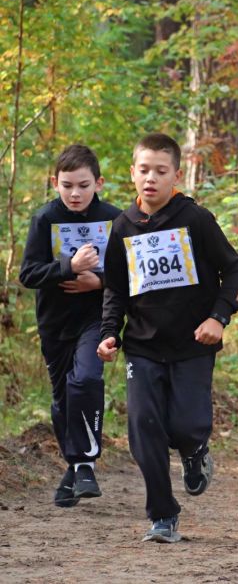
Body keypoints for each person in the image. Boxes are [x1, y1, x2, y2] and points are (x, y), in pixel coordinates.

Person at [97, 133, 238, 543]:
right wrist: (110, 333)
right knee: (144, 428)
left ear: (176, 175)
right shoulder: (123, 226)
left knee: (188, 425)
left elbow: (233, 270)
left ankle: (195, 452)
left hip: (193, 343)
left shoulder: (195, 219)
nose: (151, 179)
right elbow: (115, 288)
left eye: (161, 171)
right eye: (143, 170)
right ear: (132, 173)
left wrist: (219, 317)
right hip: (142, 346)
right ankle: (163, 515)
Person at [19, 144, 121, 508]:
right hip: (55, 323)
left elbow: (132, 274)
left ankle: (85, 464)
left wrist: (101, 281)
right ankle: (76, 469)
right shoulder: (45, 219)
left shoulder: (114, 218)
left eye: (83, 184)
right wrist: (69, 267)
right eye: (67, 185)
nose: (75, 193)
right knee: (63, 400)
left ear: (99, 183)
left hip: (97, 319)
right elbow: (28, 273)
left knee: (86, 380)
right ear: (54, 183)